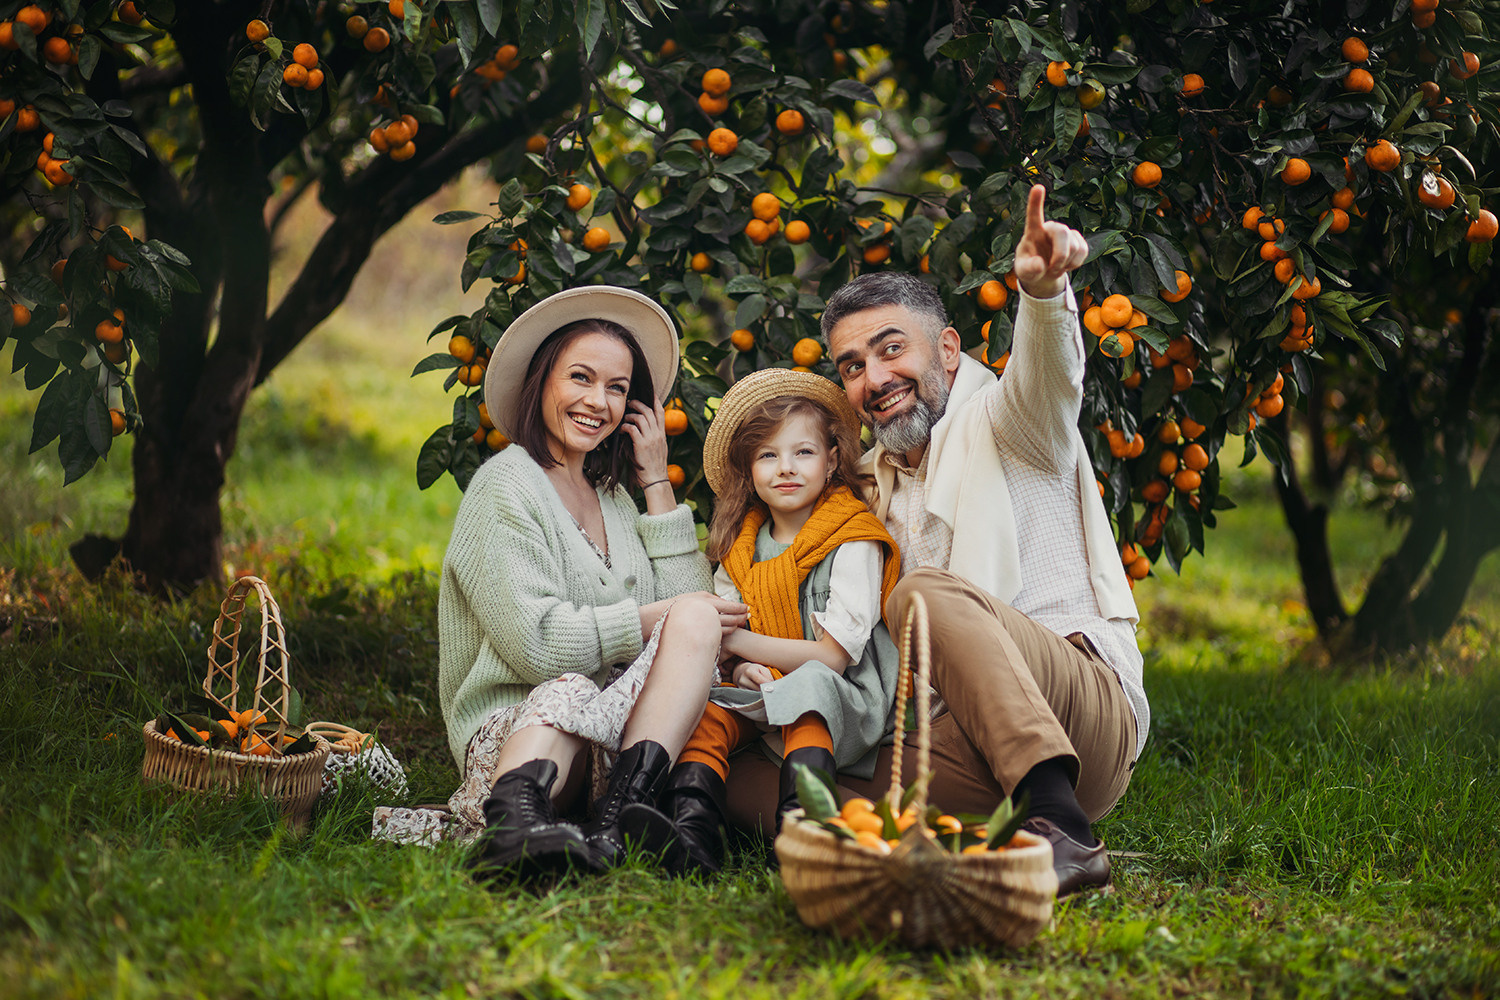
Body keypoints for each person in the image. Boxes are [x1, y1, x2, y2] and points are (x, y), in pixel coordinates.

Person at [725, 185, 1149, 897]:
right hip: (956, 739)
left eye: (892, 351)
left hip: (1078, 714)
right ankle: (915, 841)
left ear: (948, 350)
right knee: (763, 784)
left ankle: (1059, 822)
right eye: (853, 366)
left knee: (920, 596)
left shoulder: (1011, 422)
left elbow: (1050, 380)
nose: (875, 379)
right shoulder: (866, 488)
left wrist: (1045, 296)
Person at [372, 286, 748, 879]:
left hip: (610, 750)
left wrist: (655, 482)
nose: (598, 401)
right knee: (569, 685)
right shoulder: (505, 486)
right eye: (581, 377)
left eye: (618, 388)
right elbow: (536, 648)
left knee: (698, 617)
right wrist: (650, 619)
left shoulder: (617, 500)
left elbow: (696, 623)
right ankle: (513, 826)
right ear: (543, 379)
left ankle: (617, 818)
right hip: (519, 741)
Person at [619, 370, 902, 874]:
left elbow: (833, 657)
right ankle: (693, 831)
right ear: (749, 471)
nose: (785, 468)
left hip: (845, 697)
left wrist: (746, 644)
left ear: (833, 459)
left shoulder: (852, 537)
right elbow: (722, 648)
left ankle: (803, 828)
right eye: (768, 455)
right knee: (703, 710)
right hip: (766, 686)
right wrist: (742, 668)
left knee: (810, 682)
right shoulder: (740, 549)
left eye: (804, 453)